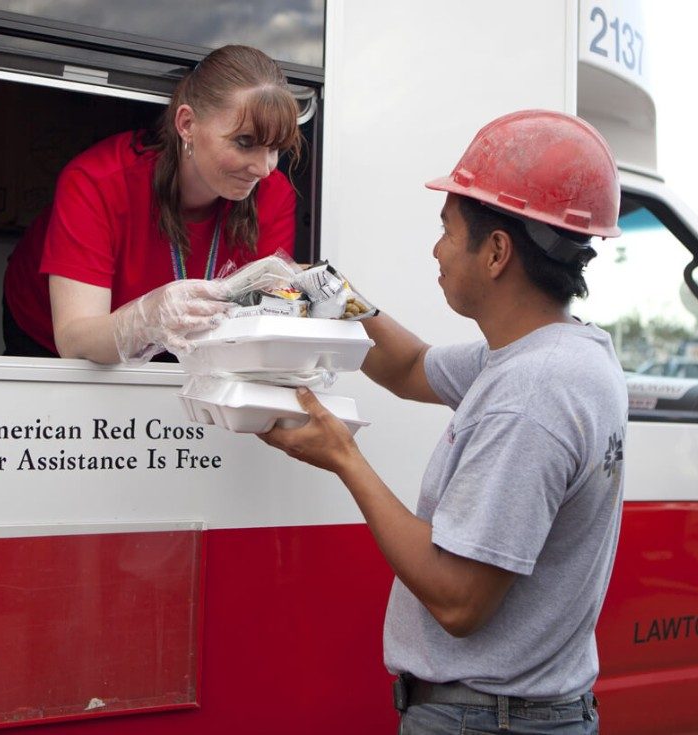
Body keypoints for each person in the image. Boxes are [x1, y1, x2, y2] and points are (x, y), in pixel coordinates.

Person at [259, 110, 628, 734]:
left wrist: (344, 457)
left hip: (487, 721)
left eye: (447, 230)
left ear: (497, 252)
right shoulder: (554, 353)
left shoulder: (533, 393)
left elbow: (458, 599)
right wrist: (329, 292)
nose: (436, 249)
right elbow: (408, 367)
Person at [2, 44, 302, 363]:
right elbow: (75, 341)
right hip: (49, 333)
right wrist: (146, 319)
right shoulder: (97, 181)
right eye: (245, 143)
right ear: (187, 124)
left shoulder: (273, 191)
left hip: (181, 341)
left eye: (275, 148)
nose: (264, 168)